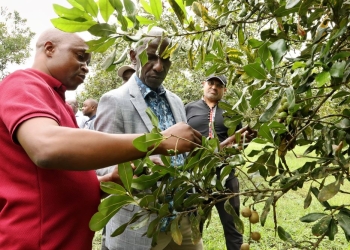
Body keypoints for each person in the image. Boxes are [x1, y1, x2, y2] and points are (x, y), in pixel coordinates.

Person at [0, 28, 202, 250]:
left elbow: (59, 182)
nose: (86, 66)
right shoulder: (23, 83)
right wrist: (159, 141)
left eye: (88, 61)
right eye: (80, 56)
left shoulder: (56, 101)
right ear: (49, 48)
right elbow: (46, 147)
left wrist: (109, 182)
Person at [94, 27, 203, 250]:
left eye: (166, 59)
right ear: (133, 56)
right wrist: (141, 166)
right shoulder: (114, 101)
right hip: (140, 227)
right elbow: (102, 168)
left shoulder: (176, 101)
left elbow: (182, 158)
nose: (159, 66)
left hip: (182, 221)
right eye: (151, 57)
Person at [185, 75, 255, 250]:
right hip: (195, 177)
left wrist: (245, 141)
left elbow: (240, 143)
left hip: (226, 177)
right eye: (211, 83)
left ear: (225, 90)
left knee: (232, 227)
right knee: (194, 227)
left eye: (219, 85)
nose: (214, 87)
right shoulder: (188, 108)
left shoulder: (231, 113)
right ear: (204, 85)